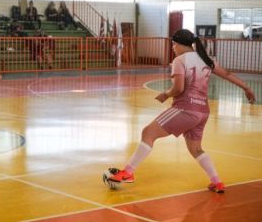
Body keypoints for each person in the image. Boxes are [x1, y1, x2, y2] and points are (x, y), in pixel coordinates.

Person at [107, 29, 256, 193]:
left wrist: (166, 94)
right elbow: (227, 74)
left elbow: (178, 88)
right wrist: (246, 88)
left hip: (186, 109)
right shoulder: (206, 59)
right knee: (196, 149)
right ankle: (217, 181)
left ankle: (128, 172)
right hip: (203, 112)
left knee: (148, 133)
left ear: (178, 44)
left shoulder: (180, 60)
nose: (172, 48)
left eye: (173, 44)